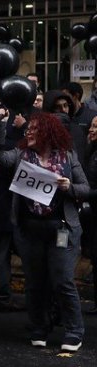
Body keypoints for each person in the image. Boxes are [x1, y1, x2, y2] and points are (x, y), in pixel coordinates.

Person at [0, 112, 88, 352]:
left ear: (49, 131)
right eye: (29, 129)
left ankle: (74, 331)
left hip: (61, 228)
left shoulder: (67, 156)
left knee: (63, 280)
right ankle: (39, 328)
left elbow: (85, 188)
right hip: (30, 230)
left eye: (35, 129)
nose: (29, 133)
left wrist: (69, 188)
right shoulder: (21, 155)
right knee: (35, 283)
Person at [85, 116, 97, 315]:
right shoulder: (92, 150)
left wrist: (85, 193)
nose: (91, 129)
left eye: (96, 126)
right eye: (92, 125)